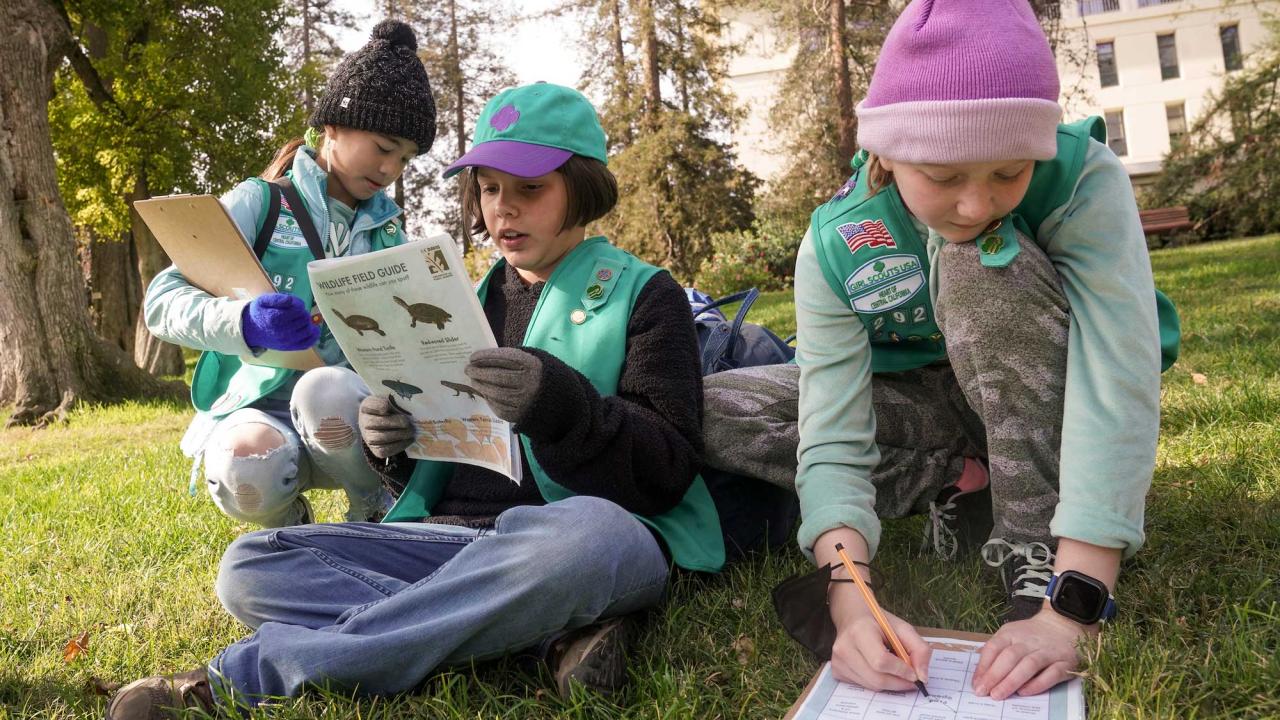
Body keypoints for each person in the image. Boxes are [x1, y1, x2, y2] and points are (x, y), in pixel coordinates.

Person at [106, 82, 724, 718]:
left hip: (576, 534)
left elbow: (669, 469)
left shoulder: (645, 295)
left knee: (594, 543)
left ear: (583, 187)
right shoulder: (469, 299)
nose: (502, 211)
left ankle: (239, 675)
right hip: (455, 545)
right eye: (488, 189)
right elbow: (448, 461)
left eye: (529, 189)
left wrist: (565, 407)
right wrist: (392, 448)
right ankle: (540, 636)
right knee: (251, 567)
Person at [703, 0, 1179, 701]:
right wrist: (848, 594)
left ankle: (1033, 542)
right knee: (714, 406)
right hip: (931, 404)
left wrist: (1075, 599)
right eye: (944, 176)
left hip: (1055, 391)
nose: (976, 204)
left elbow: (1117, 375)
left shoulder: (1081, 177)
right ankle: (969, 479)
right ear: (884, 152)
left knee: (974, 260)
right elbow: (831, 425)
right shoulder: (836, 242)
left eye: (1010, 172)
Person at [143, 21, 435, 528]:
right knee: (244, 466)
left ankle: (372, 512)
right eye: (384, 147)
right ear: (333, 126)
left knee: (323, 388)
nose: (391, 169)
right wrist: (244, 322)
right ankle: (292, 530)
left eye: (405, 159)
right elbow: (161, 304)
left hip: (349, 419)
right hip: (257, 410)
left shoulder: (392, 233)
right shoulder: (261, 202)